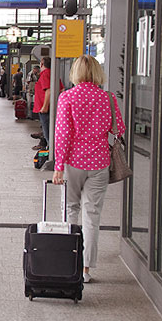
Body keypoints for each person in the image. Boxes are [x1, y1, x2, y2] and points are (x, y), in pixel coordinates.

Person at [52, 55, 125, 284]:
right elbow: (119, 129)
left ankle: (69, 263)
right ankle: (85, 269)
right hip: (100, 163)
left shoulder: (67, 97)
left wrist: (58, 167)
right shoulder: (108, 98)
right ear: (96, 72)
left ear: (76, 73)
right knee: (92, 216)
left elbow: (63, 135)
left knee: (70, 211)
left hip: (73, 163)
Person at [33, 57, 62, 150]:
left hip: (46, 109)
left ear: (42, 64)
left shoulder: (45, 74)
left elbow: (48, 91)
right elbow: (61, 89)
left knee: (48, 134)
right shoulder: (53, 74)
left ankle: (52, 155)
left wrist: (45, 107)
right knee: (51, 133)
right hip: (52, 107)